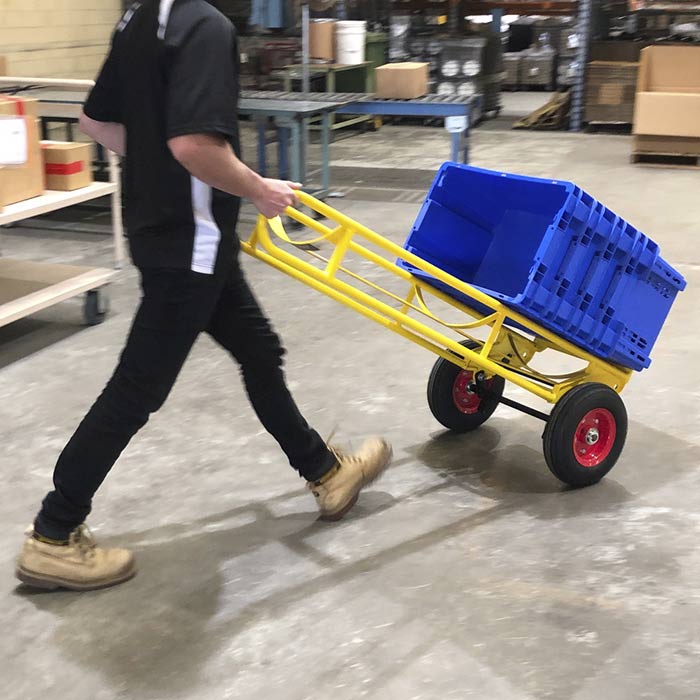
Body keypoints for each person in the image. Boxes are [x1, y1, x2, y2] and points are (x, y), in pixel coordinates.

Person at [16, 0, 391, 592]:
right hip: (191, 244)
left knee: (259, 349)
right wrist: (260, 189)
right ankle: (53, 535)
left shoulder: (138, 18)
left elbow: (97, 123)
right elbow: (194, 144)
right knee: (137, 388)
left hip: (174, 234)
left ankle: (325, 472)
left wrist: (156, 175)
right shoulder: (205, 27)